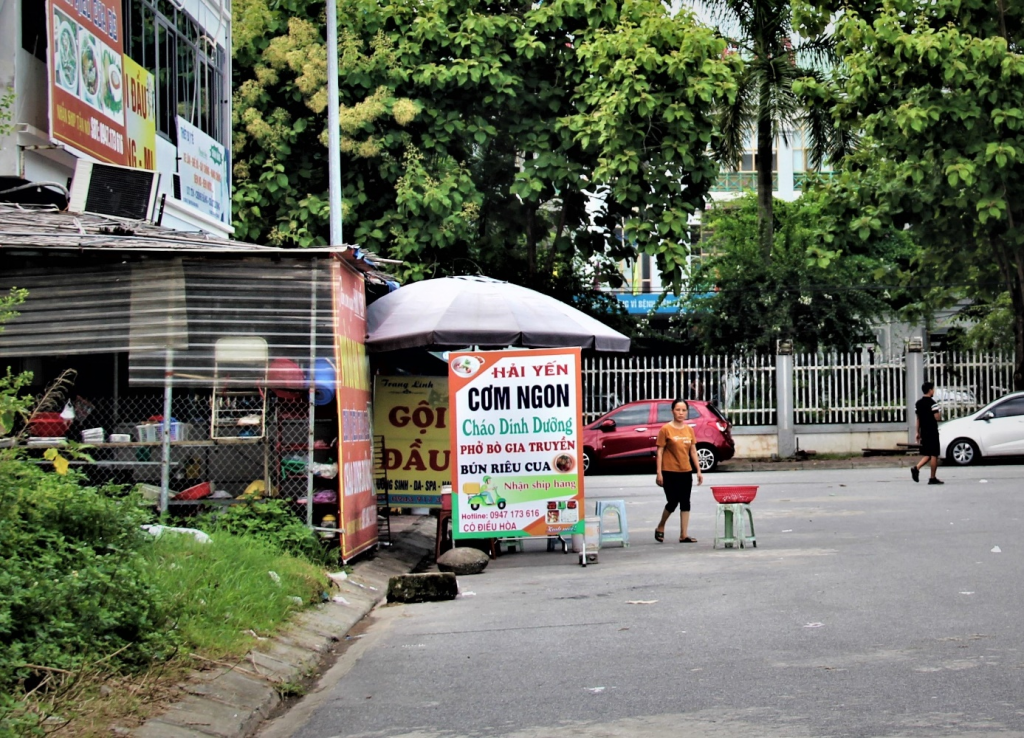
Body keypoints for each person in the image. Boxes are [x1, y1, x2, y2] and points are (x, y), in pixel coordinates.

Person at [654, 398, 704, 542]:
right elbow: (660, 452)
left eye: (683, 410)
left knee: (685, 502)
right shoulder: (665, 429)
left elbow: (693, 451)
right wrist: (659, 473)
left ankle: (683, 534)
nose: (681, 413)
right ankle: (661, 526)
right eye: (678, 410)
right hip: (669, 472)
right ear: (672, 411)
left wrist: (698, 470)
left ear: (686, 412)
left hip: (686, 471)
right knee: (672, 501)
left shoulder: (689, 430)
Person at [912, 381, 943, 485]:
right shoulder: (933, 403)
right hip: (932, 431)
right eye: (933, 389)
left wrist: (917, 432)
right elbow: (937, 418)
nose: (933, 391)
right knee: (934, 454)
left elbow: (918, 419)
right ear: (930, 390)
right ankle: (932, 477)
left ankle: (916, 468)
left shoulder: (918, 404)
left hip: (923, 431)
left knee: (928, 453)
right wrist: (939, 412)